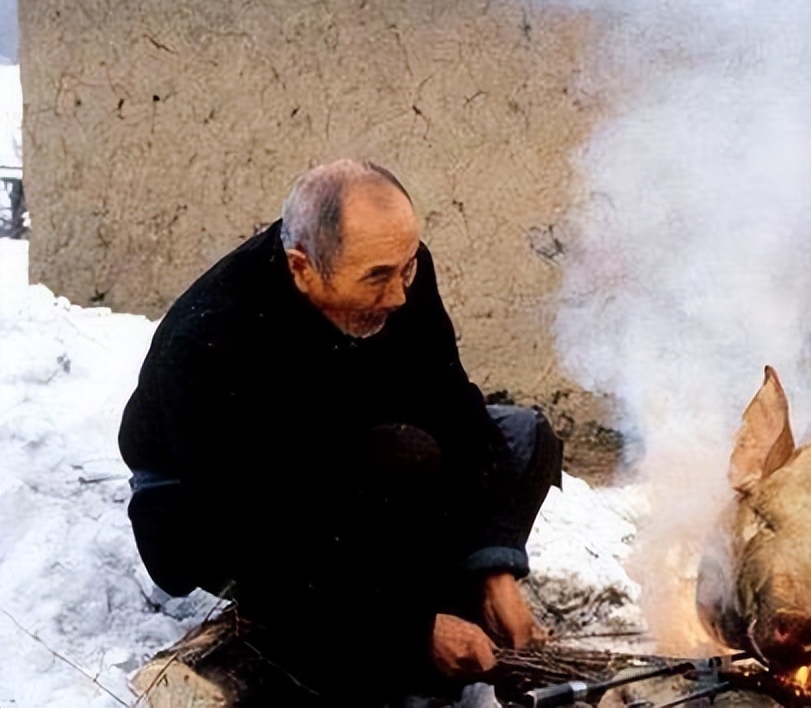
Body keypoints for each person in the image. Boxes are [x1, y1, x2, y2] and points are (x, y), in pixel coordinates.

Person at [119, 159, 563, 703]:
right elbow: (262, 539)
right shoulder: (212, 340)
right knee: (404, 460)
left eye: (406, 270)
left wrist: (493, 563)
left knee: (524, 437)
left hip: (345, 458)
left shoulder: (398, 268)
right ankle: (332, 656)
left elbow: (455, 408)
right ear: (302, 267)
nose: (399, 294)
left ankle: (434, 601)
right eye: (377, 277)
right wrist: (410, 628)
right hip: (215, 512)